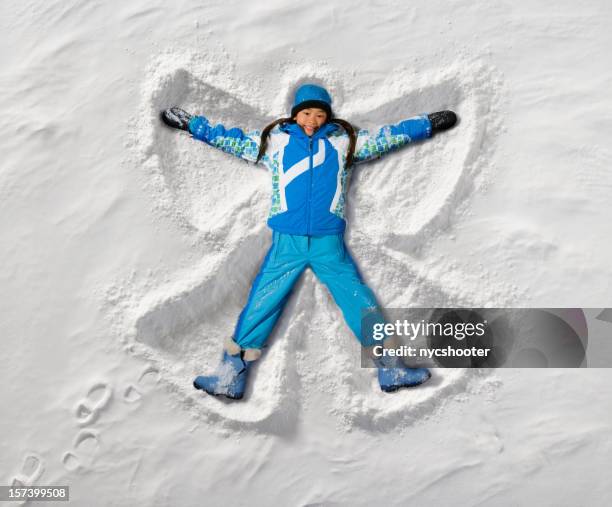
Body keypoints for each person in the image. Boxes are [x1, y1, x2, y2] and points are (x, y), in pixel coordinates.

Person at [161, 84, 457, 399]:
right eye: (306, 113)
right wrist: (192, 124)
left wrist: (425, 124)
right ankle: (230, 374)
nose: (312, 121)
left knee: (357, 299)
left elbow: (387, 136)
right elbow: (230, 139)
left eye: (319, 114)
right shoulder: (275, 142)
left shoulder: (345, 143)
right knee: (263, 301)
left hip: (327, 242)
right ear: (295, 114)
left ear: (327, 116)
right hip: (286, 241)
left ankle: (391, 366)